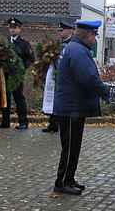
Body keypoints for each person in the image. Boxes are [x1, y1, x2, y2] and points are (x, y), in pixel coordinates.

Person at [52, 20, 109, 195]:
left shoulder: (76, 49)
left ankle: (69, 178)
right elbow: (89, 78)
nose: (95, 39)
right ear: (88, 34)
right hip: (71, 108)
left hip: (73, 107)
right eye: (94, 35)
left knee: (73, 146)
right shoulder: (78, 51)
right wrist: (106, 92)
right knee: (70, 147)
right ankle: (62, 182)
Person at [0, 17, 35, 129]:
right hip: (5, 74)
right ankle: (5, 122)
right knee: (5, 98)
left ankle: (23, 122)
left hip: (16, 76)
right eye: (11, 28)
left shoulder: (24, 44)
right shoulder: (4, 42)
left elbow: (30, 58)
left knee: (19, 98)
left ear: (19, 29)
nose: (12, 30)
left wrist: (22, 68)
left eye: (15, 28)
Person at [42, 21, 74, 133]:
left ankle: (59, 124)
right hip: (55, 75)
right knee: (53, 99)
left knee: (60, 100)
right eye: (59, 31)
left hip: (64, 77)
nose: (60, 33)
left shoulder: (72, 44)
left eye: (62, 30)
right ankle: (53, 124)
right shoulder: (58, 44)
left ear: (70, 30)